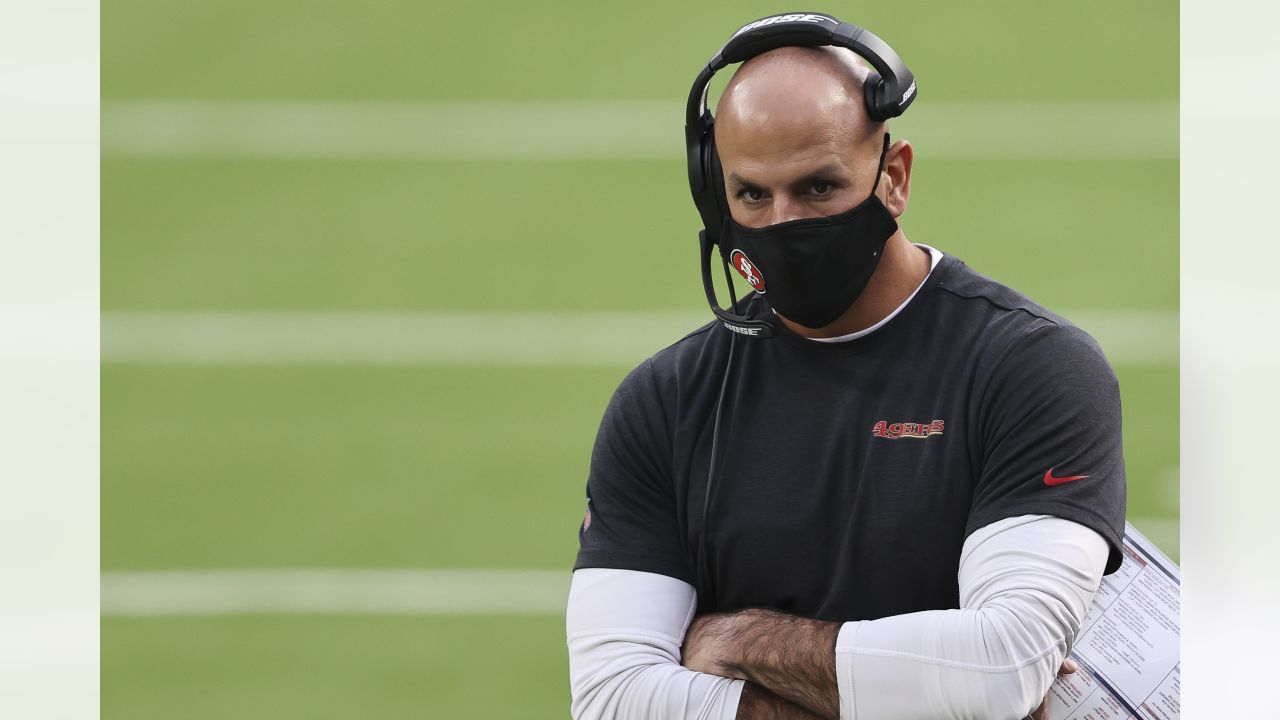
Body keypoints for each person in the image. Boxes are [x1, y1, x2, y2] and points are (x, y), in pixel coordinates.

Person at [566, 16, 1125, 720]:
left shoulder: (1032, 370)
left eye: (819, 188)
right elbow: (613, 700)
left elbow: (999, 667)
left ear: (893, 178)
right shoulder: (663, 404)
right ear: (717, 198)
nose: (784, 223)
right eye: (753, 196)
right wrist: (926, 694)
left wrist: (736, 641)